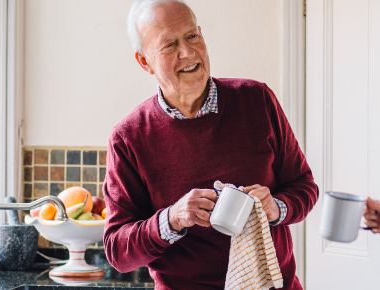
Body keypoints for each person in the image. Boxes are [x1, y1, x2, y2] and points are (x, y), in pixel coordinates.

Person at [102, 0, 319, 289]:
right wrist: (172, 219)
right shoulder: (128, 137)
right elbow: (117, 251)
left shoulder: (257, 100)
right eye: (169, 45)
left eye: (193, 36)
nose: (188, 52)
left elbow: (304, 185)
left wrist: (276, 207)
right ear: (145, 62)